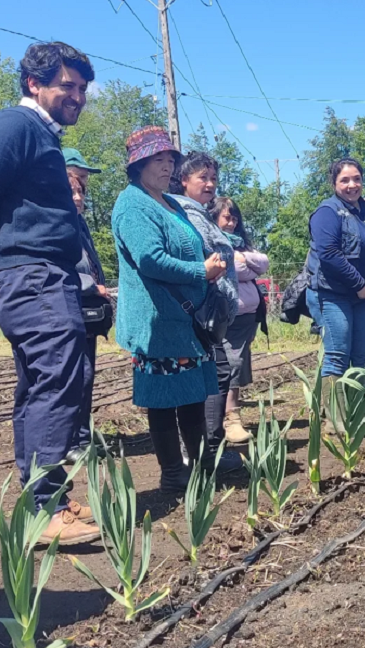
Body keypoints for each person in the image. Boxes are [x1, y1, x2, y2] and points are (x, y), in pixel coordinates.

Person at [0, 42, 100, 545]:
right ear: (34, 84)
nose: (78, 96)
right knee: (60, 375)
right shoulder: (14, 126)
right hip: (31, 274)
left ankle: (48, 500)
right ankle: (44, 509)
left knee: (42, 383)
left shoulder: (42, 135)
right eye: (68, 86)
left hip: (40, 273)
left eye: (82, 88)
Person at [111, 126, 226, 494]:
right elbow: (149, 259)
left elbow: (185, 246)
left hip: (183, 319)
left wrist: (208, 269)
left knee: (191, 396)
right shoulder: (132, 203)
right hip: (157, 321)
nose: (167, 166)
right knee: (163, 402)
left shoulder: (171, 203)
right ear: (139, 164)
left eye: (170, 160)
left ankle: (201, 467)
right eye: (159, 160)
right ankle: (174, 475)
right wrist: (199, 271)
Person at [168, 152, 242, 472]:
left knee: (213, 375)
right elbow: (205, 256)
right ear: (184, 180)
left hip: (209, 308)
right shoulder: (186, 213)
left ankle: (207, 448)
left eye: (213, 178)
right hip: (201, 310)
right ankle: (206, 450)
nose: (210, 183)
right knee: (213, 375)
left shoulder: (199, 212)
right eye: (203, 177)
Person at [306, 158, 365, 386]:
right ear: (334, 183)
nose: (352, 185)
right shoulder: (327, 212)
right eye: (344, 180)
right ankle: (336, 421)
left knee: (360, 358)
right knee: (337, 356)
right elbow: (329, 254)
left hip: (363, 297)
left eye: (357, 179)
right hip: (332, 294)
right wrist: (359, 285)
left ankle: (359, 415)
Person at [62, 147, 112, 463]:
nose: (81, 192)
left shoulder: (79, 222)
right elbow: (64, 269)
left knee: (86, 373)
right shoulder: (58, 225)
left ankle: (79, 437)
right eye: (76, 183)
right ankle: (68, 440)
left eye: (83, 185)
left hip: (86, 306)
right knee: (75, 374)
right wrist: (92, 285)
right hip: (70, 305)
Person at [212, 196, 269, 433]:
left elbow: (263, 262)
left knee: (239, 362)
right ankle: (229, 417)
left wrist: (242, 259)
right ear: (214, 217)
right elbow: (228, 269)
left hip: (248, 316)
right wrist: (244, 266)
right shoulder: (212, 242)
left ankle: (228, 415)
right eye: (227, 217)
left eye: (235, 218)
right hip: (225, 314)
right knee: (230, 363)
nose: (232, 223)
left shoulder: (241, 245)